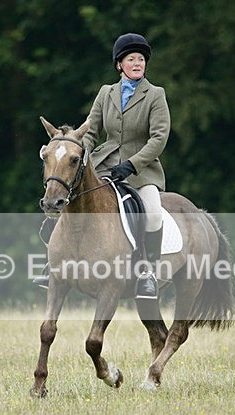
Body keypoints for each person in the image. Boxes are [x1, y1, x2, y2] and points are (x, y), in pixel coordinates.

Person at [36, 33, 171, 300]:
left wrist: (132, 164)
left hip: (142, 172)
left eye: (141, 59)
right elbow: (90, 131)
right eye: (131, 59)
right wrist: (73, 148)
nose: (137, 63)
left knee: (153, 214)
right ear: (119, 64)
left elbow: (159, 138)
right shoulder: (106, 93)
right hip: (103, 165)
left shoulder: (156, 95)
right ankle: (54, 266)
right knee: (65, 198)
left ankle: (148, 273)